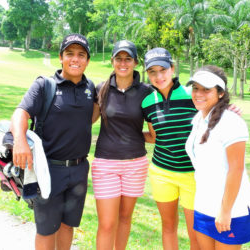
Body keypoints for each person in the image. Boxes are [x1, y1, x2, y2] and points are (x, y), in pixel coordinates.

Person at [10, 33, 96, 250]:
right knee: (47, 229)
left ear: (87, 60)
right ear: (61, 57)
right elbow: (20, 113)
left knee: (67, 226)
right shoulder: (44, 85)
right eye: (70, 54)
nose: (75, 59)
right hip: (48, 169)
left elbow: (89, 118)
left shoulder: (90, 88)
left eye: (81, 55)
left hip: (78, 169)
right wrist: (20, 141)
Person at [185, 66, 250, 249]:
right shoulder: (197, 120)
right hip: (203, 204)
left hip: (230, 209)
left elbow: (236, 169)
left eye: (206, 89)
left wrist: (225, 212)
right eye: (195, 88)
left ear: (220, 93)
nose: (198, 93)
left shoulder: (231, 121)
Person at [91, 40, 155, 250]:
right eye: (119, 58)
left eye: (128, 58)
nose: (123, 63)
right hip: (106, 165)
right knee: (108, 224)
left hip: (135, 165)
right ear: (112, 61)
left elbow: (154, 135)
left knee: (125, 218)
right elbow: (87, 119)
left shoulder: (147, 92)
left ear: (136, 62)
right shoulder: (101, 88)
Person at [141, 48, 200, 250]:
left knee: (196, 233)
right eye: (152, 72)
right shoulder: (147, 102)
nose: (159, 76)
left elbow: (217, 111)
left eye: (163, 70)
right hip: (162, 173)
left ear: (173, 69)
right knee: (168, 227)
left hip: (193, 175)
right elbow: (155, 137)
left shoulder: (192, 94)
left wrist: (232, 109)